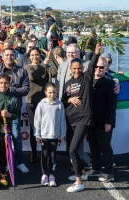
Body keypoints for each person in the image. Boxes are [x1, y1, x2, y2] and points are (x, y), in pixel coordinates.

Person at [61, 43, 103, 193]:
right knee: (74, 150)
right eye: (74, 68)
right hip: (71, 119)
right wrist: (69, 100)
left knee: (72, 150)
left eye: (79, 68)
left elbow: (92, 65)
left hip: (83, 118)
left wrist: (96, 52)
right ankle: (83, 173)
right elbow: (63, 100)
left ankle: (79, 181)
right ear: (70, 70)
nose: (77, 70)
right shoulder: (68, 83)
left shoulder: (86, 78)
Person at [0, 48, 29, 173]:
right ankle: (4, 163)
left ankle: (20, 162)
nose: (9, 56)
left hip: (12, 109)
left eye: (11, 55)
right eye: (7, 55)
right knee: (2, 140)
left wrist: (10, 90)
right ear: (2, 56)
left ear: (15, 56)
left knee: (16, 137)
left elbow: (26, 89)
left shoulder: (22, 71)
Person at [24, 47, 59, 163]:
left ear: (40, 55)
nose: (35, 57)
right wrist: (44, 64)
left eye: (37, 54)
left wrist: (51, 56)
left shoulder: (46, 67)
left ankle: (46, 152)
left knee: (45, 128)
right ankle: (34, 153)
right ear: (29, 57)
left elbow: (55, 71)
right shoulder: (27, 68)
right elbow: (33, 76)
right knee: (34, 128)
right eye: (32, 55)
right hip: (32, 103)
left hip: (45, 103)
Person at [88, 57, 117, 182]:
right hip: (91, 120)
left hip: (104, 121)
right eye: (96, 67)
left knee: (105, 146)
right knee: (93, 145)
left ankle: (109, 172)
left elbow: (112, 105)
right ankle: (96, 168)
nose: (98, 69)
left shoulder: (110, 83)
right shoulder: (88, 80)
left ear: (106, 68)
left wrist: (108, 122)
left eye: (101, 67)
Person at [34, 82, 66, 187]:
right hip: (44, 136)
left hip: (55, 136)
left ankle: (52, 176)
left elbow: (62, 121)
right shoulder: (41, 104)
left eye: (54, 93)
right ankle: (44, 176)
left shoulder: (59, 104)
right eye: (50, 93)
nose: (52, 95)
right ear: (45, 93)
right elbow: (37, 120)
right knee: (44, 155)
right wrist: (37, 135)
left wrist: (62, 135)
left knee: (53, 156)